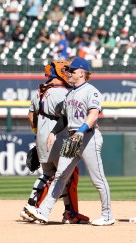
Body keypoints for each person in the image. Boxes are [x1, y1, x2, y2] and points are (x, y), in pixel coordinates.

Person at [25, 57, 115, 226]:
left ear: (81, 73)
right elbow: (64, 118)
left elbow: (93, 114)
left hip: (88, 137)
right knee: (60, 176)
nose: (69, 73)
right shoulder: (70, 92)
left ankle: (108, 214)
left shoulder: (91, 91)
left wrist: (80, 132)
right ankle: (43, 212)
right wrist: (53, 132)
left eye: (72, 71)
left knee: (98, 179)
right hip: (71, 138)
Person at [20, 60, 90, 224]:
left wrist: (38, 135)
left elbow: (31, 117)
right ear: (59, 73)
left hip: (42, 136)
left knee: (48, 174)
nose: (68, 74)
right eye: (65, 71)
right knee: (68, 175)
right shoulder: (63, 92)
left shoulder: (39, 91)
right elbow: (73, 114)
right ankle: (70, 213)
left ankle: (31, 205)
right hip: (58, 136)